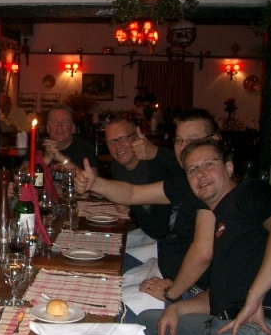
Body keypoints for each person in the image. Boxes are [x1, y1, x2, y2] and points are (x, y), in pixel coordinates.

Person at [122, 139, 271, 335]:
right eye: (192, 170)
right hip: (226, 324)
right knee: (149, 322)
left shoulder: (251, 192)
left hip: (263, 334)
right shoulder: (221, 221)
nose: (200, 174)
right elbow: (223, 293)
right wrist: (178, 307)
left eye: (209, 164)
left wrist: (255, 296)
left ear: (229, 167)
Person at [76, 108, 220, 303]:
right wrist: (95, 183)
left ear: (215, 141)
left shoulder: (210, 188)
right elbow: (132, 193)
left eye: (192, 140)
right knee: (97, 278)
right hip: (166, 266)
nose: (183, 148)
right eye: (179, 140)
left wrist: (172, 292)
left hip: (187, 289)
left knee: (103, 299)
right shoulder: (185, 182)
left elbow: (203, 254)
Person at [105, 118, 178, 241]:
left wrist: (156, 152)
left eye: (123, 138)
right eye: (111, 142)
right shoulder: (116, 167)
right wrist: (120, 203)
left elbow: (185, 169)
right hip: (147, 235)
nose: (117, 146)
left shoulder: (159, 163)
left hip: (173, 240)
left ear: (137, 137)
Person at [40, 105, 98, 176]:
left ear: (73, 128)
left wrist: (61, 158)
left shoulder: (85, 148)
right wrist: (45, 160)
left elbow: (93, 180)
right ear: (47, 128)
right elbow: (27, 176)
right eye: (54, 122)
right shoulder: (37, 146)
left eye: (65, 122)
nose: (59, 127)